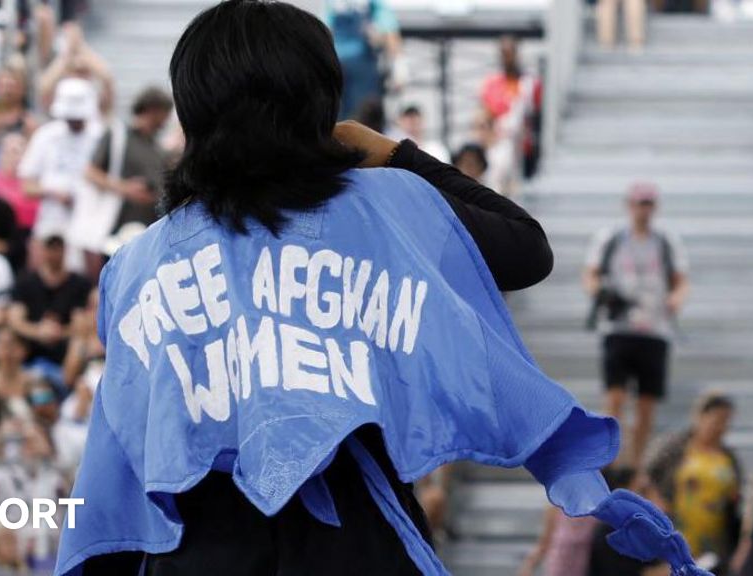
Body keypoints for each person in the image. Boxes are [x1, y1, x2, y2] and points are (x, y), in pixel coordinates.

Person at [56, 3, 709, 575]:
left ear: (192, 111)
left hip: (193, 550)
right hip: (358, 536)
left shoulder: (139, 261)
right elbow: (524, 247)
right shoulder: (386, 204)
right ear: (319, 104)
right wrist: (395, 153)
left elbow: (126, 453)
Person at [583, 182, 689, 468]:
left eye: (648, 204)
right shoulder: (612, 238)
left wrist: (675, 300)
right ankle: (613, 459)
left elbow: (680, 281)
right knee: (615, 396)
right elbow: (591, 274)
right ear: (629, 205)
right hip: (619, 327)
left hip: (654, 328)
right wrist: (601, 294)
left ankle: (637, 463)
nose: (643, 210)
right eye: (639, 203)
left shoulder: (666, 242)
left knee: (646, 404)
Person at [644, 392, 746, 574]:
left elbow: (737, 497)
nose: (720, 427)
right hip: (675, 531)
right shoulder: (675, 447)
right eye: (716, 419)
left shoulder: (728, 457)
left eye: (725, 421)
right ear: (700, 416)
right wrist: (656, 501)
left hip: (714, 541)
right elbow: (645, 477)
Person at [80, 86, 174, 279]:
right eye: (165, 113)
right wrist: (125, 189)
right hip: (114, 231)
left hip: (146, 234)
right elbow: (90, 172)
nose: (166, 120)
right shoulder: (118, 135)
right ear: (153, 110)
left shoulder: (158, 149)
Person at [17, 77, 102, 258]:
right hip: (51, 221)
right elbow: (26, 186)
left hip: (89, 220)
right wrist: (53, 192)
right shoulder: (45, 135)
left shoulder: (100, 136)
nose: (74, 122)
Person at [7, 233, 90, 366]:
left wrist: (58, 332)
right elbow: (15, 320)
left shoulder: (78, 284)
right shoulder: (25, 282)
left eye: (58, 249)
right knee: (7, 337)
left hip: (63, 350)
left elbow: (80, 324)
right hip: (29, 349)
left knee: (79, 343)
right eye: (50, 248)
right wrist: (38, 331)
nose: (54, 254)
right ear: (43, 250)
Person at [477, 36, 540, 195]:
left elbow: (536, 115)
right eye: (504, 53)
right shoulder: (492, 83)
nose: (507, 58)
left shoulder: (529, 83)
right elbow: (483, 116)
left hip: (523, 146)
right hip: (498, 143)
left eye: (510, 53)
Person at [324, 0, 406, 120]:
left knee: (358, 117)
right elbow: (389, 32)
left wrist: (399, 65)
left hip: (354, 67)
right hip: (346, 67)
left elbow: (388, 30)